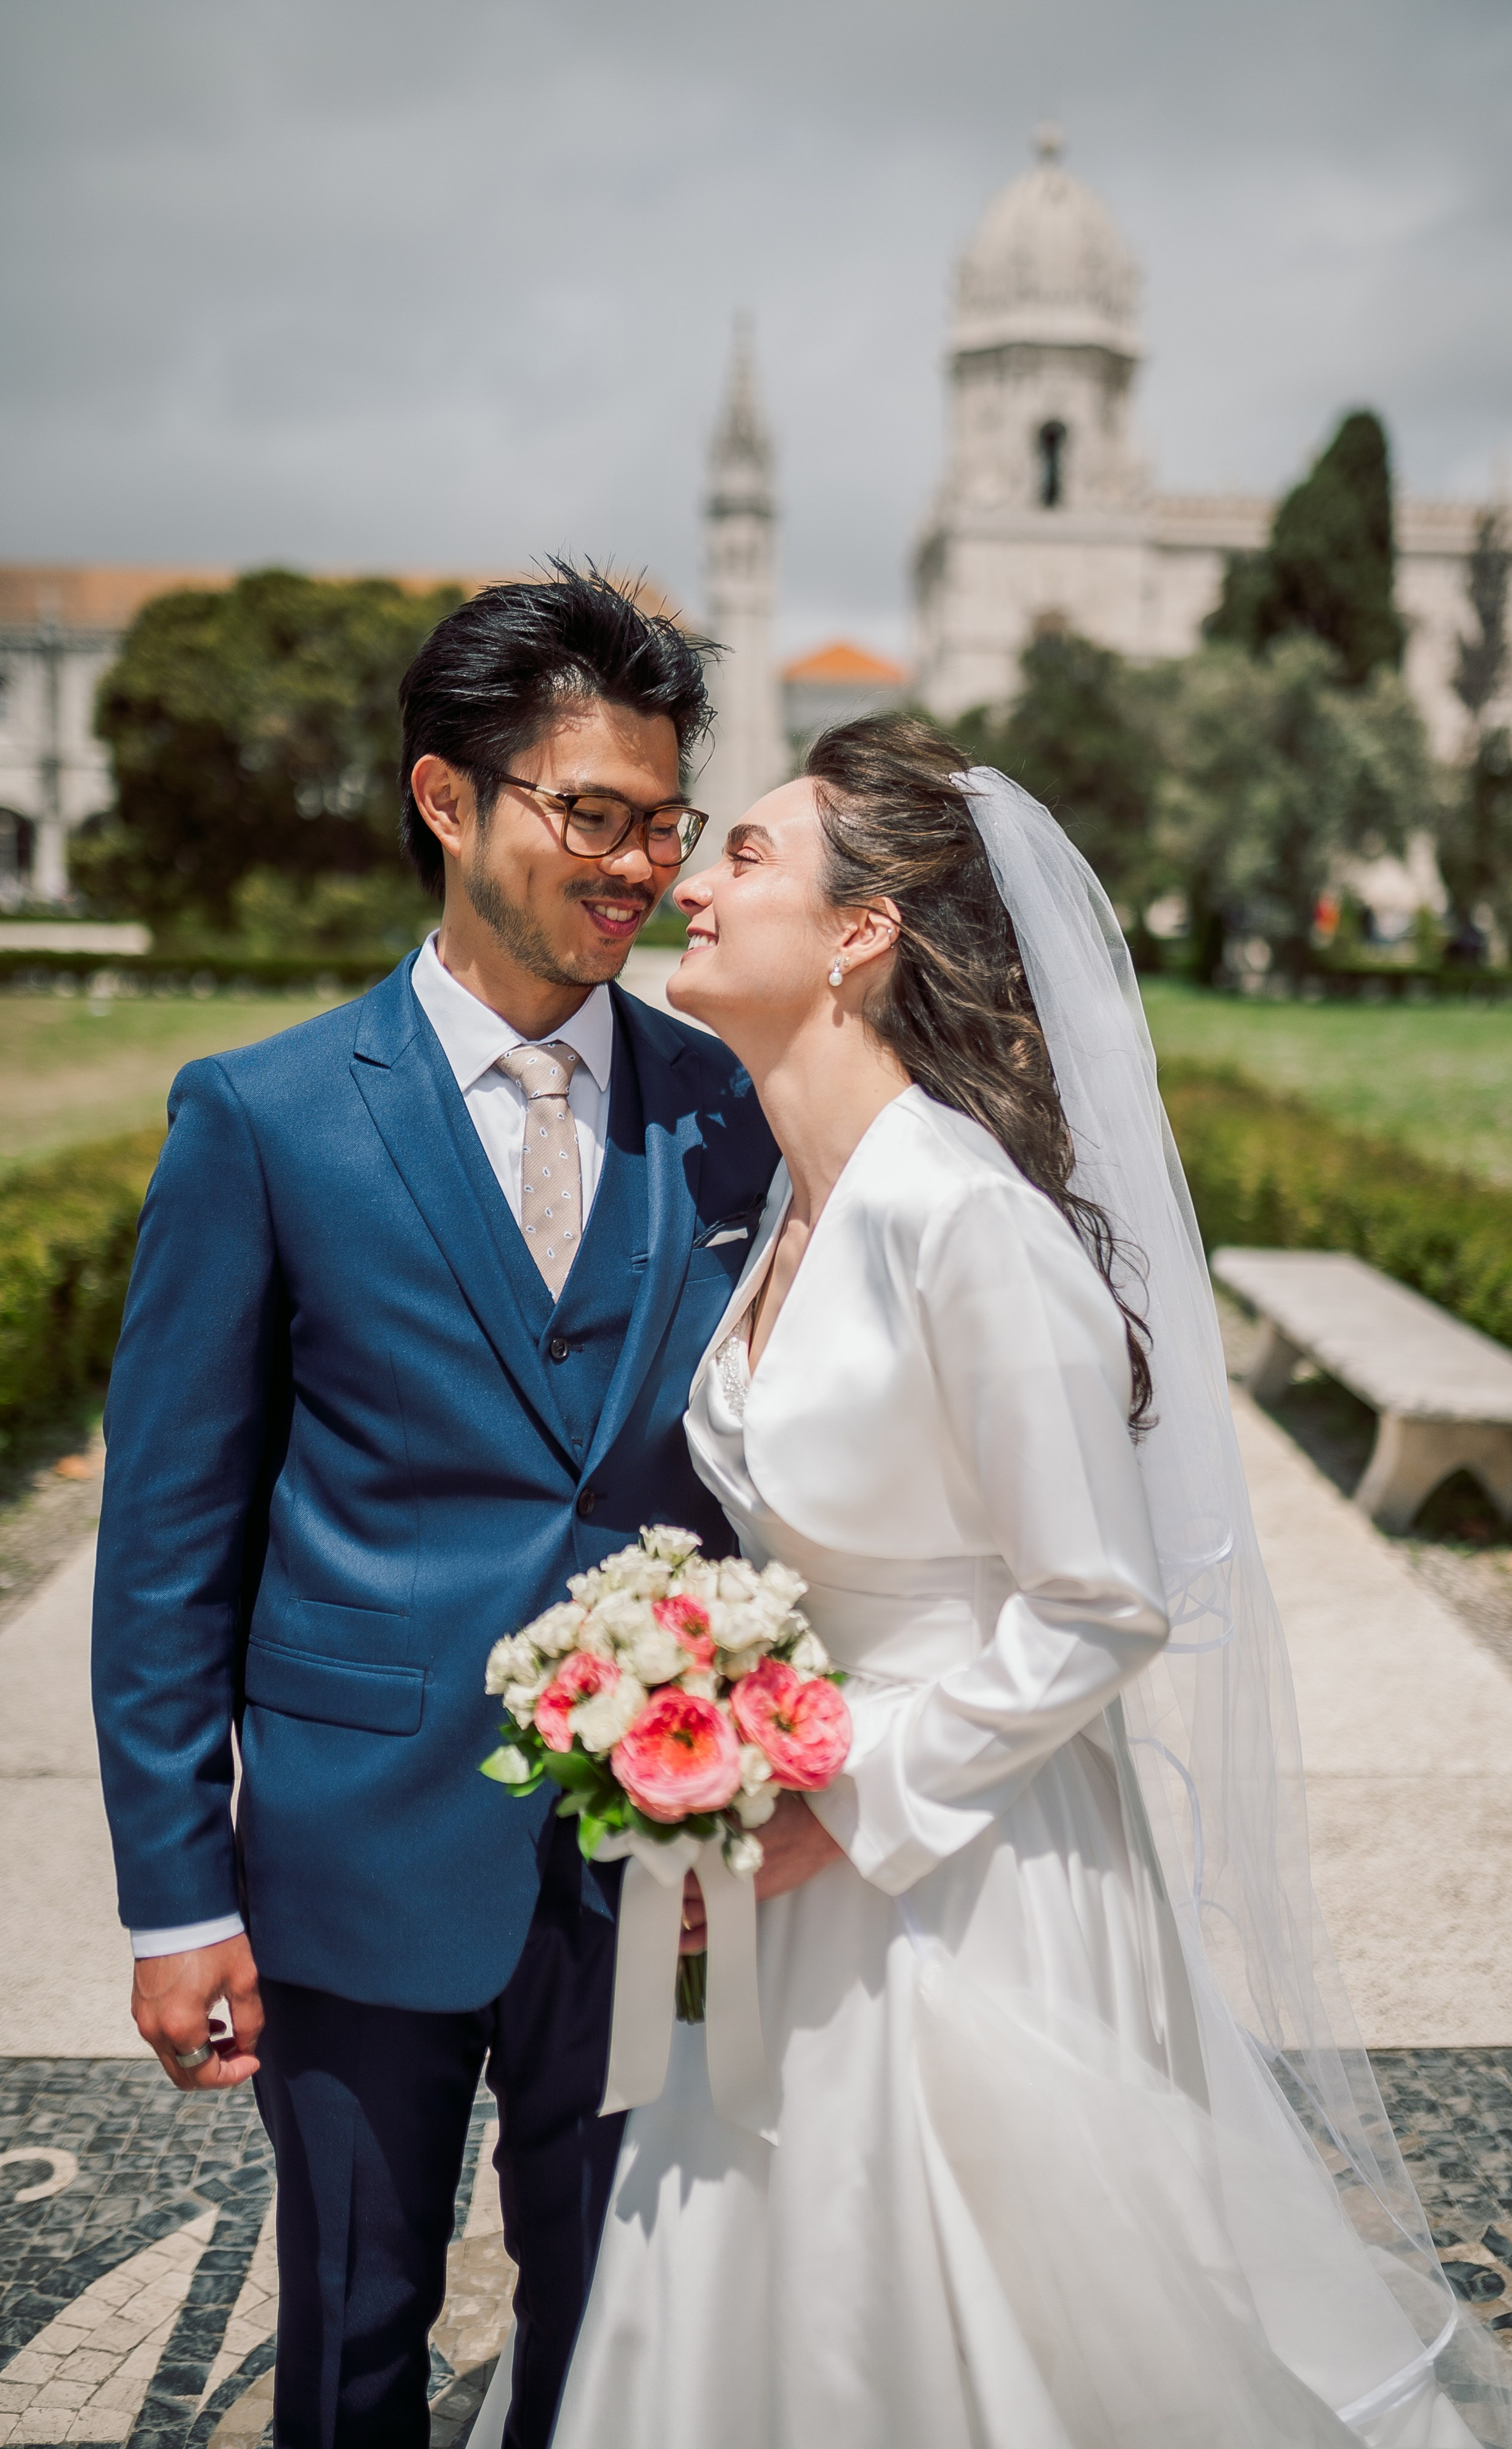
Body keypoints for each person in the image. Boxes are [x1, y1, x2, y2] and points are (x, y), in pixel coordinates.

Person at [502, 716, 1512, 2448]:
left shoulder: (963, 1217)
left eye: (745, 855)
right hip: (775, 1851)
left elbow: (1097, 1602)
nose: (691, 882)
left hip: (957, 1872)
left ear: (861, 934)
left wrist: (847, 1809)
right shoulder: (798, 1208)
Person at [90, 566, 789, 2447]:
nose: (638, 864)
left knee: (623, 2332)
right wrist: (175, 1895)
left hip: (656, 1865)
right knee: (352, 2334)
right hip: (350, 1855)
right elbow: (168, 1544)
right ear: (447, 800)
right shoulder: (266, 1116)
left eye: (664, 821)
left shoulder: (735, 1111)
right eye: (592, 814)